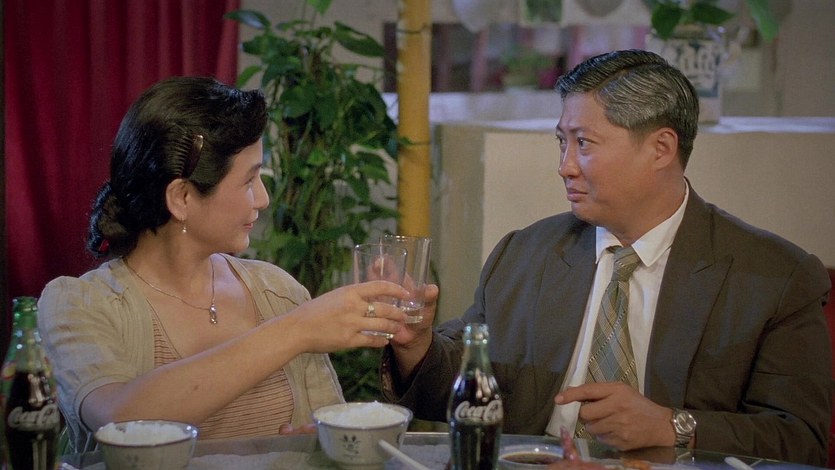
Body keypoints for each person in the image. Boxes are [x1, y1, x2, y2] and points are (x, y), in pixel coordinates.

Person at [382, 50, 832, 465]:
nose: (565, 166)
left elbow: (800, 439)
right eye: (562, 142)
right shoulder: (524, 253)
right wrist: (415, 346)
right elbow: (464, 387)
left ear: (661, 148)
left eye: (584, 143)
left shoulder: (775, 277)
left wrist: (673, 426)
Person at [37, 76, 408, 453]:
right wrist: (298, 330)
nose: (263, 199)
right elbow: (123, 422)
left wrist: (315, 446)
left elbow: (327, 431)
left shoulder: (278, 291)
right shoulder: (79, 304)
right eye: (249, 180)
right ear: (182, 197)